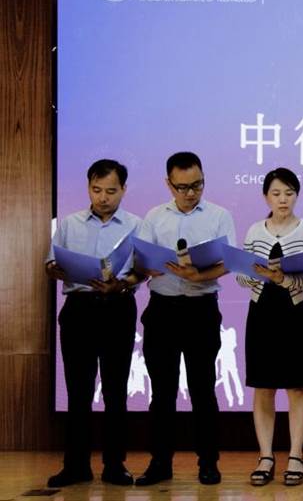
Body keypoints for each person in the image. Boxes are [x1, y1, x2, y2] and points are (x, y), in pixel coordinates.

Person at [134, 152, 236, 486]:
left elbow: (229, 262)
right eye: (183, 187)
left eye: (197, 185)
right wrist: (149, 266)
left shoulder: (219, 216)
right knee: (162, 393)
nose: (191, 193)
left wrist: (199, 274)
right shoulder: (154, 217)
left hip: (201, 309)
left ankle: (208, 463)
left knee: (203, 390)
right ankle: (160, 463)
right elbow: (141, 262)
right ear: (169, 184)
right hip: (162, 309)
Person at [45, 159, 143, 487]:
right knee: (78, 392)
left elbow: (142, 271)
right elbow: (50, 263)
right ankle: (76, 466)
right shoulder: (69, 224)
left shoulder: (136, 225)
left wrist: (122, 283)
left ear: (123, 190)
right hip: (79, 311)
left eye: (111, 191)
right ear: (88, 187)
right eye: (96, 189)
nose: (103, 197)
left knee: (115, 391)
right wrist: (54, 269)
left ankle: (115, 465)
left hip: (117, 308)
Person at [236, 168, 303, 486]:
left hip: (295, 311)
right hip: (262, 311)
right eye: (276, 193)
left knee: (297, 386)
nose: (283, 199)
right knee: (263, 386)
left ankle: (295, 455)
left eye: (289, 193)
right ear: (266, 197)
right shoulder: (255, 230)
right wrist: (256, 274)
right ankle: (266, 456)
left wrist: (283, 278)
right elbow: (241, 276)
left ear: (296, 195)